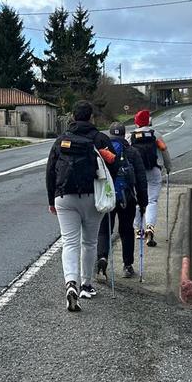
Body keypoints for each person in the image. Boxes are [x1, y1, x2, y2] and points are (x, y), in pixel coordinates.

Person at [46, 101, 118, 311]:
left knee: (69, 242)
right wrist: (107, 192)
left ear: (73, 118)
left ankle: (71, 283)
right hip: (92, 197)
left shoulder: (61, 140)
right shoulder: (101, 139)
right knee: (89, 242)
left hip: (64, 197)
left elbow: (50, 171)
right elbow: (113, 165)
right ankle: (86, 284)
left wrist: (52, 200)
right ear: (91, 118)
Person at [97, 122, 149, 280]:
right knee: (126, 231)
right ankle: (127, 266)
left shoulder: (103, 152)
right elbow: (141, 179)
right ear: (124, 134)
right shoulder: (132, 151)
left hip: (108, 197)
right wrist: (143, 201)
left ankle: (102, 257)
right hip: (128, 198)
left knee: (105, 230)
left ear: (110, 135)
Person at [130, 109, 172, 247]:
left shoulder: (130, 137)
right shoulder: (156, 135)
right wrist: (168, 168)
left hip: (137, 173)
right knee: (152, 200)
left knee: (137, 201)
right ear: (149, 121)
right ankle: (150, 227)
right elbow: (165, 152)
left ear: (136, 122)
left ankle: (139, 230)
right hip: (154, 170)